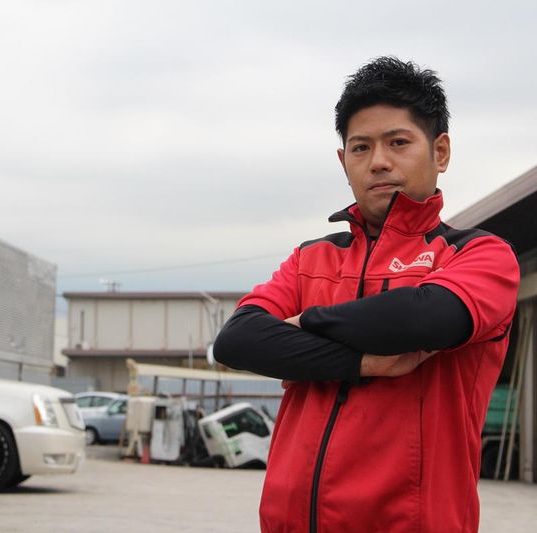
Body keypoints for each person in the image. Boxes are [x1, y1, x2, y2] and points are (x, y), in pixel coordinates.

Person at [213, 56, 520, 533]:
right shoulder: (311, 259)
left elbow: (423, 319)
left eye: (398, 142)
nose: (378, 161)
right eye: (361, 147)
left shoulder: (478, 255)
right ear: (344, 161)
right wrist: (362, 362)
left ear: (440, 152)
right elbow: (237, 340)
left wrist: (303, 325)